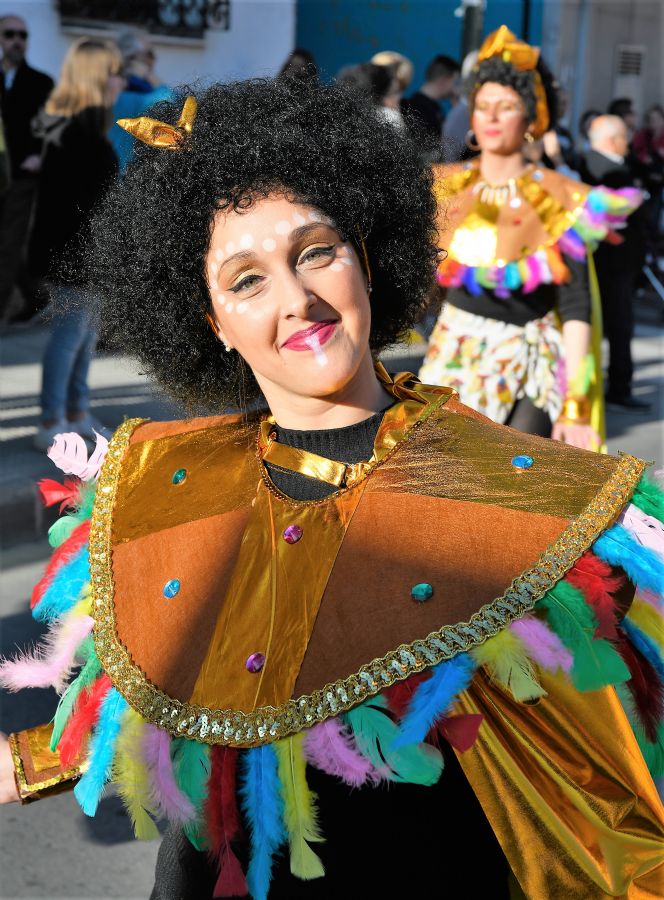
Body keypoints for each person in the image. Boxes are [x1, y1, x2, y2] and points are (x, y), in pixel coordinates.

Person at [0, 76, 663, 900]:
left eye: (316, 251)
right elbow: (119, 712)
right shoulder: (153, 483)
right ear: (211, 323)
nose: (297, 299)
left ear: (364, 251)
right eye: (246, 281)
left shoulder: (534, 495)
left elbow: (608, 791)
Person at [420, 27, 643, 450]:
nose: (491, 117)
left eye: (505, 107)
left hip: (531, 358)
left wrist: (576, 403)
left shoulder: (561, 200)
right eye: (483, 106)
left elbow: (576, 308)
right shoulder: (443, 189)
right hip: (455, 353)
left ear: (530, 119)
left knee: (510, 476)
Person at [28, 37, 122, 450]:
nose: (120, 81)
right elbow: (70, 209)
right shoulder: (76, 133)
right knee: (70, 338)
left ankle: (77, 411)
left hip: (87, 257)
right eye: (114, 72)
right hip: (73, 257)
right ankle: (52, 419)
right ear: (98, 76)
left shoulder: (83, 129)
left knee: (84, 337)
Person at [580, 114, 649, 411]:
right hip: (613, 263)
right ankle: (619, 387)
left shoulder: (597, 164)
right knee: (619, 326)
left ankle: (613, 385)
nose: (629, 142)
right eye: (624, 137)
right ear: (612, 140)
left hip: (615, 262)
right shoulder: (604, 169)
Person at [0, 14, 53, 323]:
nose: (17, 40)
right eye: (10, 34)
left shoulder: (40, 83)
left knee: (9, 238)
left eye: (22, 34)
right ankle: (34, 296)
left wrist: (38, 156)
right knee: (10, 239)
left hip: (22, 174)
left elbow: (49, 128)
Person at [110, 30, 173, 174]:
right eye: (150, 54)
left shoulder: (109, 86)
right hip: (123, 177)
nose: (154, 60)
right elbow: (170, 104)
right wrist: (151, 76)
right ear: (133, 58)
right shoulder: (127, 93)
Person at [402, 53, 459, 141]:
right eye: (455, 83)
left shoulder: (412, 107)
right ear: (444, 80)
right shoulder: (420, 112)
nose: (455, 89)